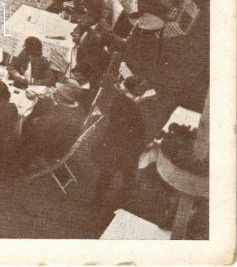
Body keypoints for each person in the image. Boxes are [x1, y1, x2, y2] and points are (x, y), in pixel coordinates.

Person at [92, 76, 156, 209]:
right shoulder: (132, 108)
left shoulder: (120, 99)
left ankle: (99, 199)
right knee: (123, 175)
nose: (144, 90)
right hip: (124, 146)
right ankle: (114, 202)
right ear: (135, 89)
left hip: (114, 142)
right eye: (142, 87)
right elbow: (133, 128)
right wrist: (144, 145)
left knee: (109, 173)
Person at [20, 80, 87, 171]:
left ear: (61, 96)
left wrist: (46, 103)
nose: (56, 93)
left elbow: (38, 128)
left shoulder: (59, 115)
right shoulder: (79, 109)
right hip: (63, 144)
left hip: (51, 149)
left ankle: (20, 162)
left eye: (58, 92)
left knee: (26, 123)